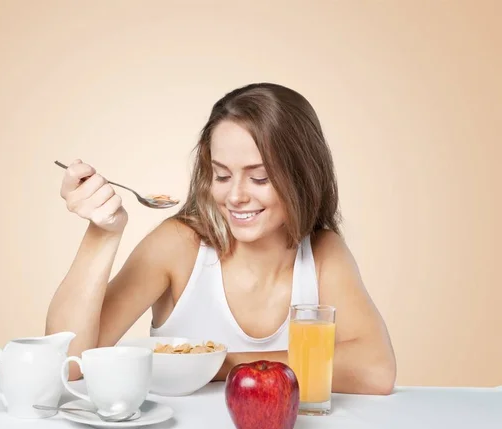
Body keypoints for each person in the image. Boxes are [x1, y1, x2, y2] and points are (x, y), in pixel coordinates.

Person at [45, 82, 397, 394]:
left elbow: (375, 370)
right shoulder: (179, 245)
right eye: (222, 175)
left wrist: (215, 363)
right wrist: (103, 234)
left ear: (303, 176)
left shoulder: (322, 253)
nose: (235, 197)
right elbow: (67, 363)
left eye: (259, 178)